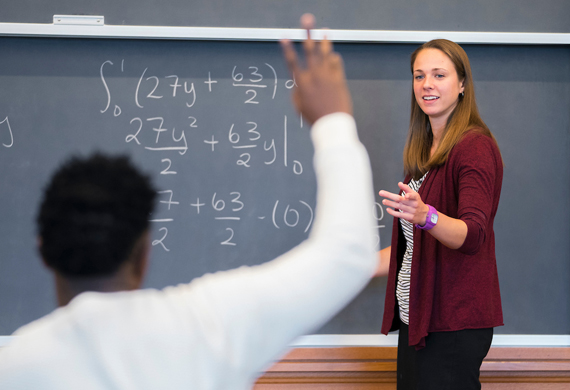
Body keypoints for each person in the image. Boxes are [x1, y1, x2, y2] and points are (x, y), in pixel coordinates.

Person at [0, 14, 377, 390]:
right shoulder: (208, 325)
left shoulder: (14, 366)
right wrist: (332, 120)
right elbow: (347, 254)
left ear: (44, 251)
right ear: (145, 250)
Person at [376, 39, 503, 390]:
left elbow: (473, 234)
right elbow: (414, 250)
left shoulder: (474, 147)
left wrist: (426, 216)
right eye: (419, 76)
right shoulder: (425, 154)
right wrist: (352, 264)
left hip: (452, 328)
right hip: (418, 323)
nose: (426, 84)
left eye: (439, 75)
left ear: (462, 85)